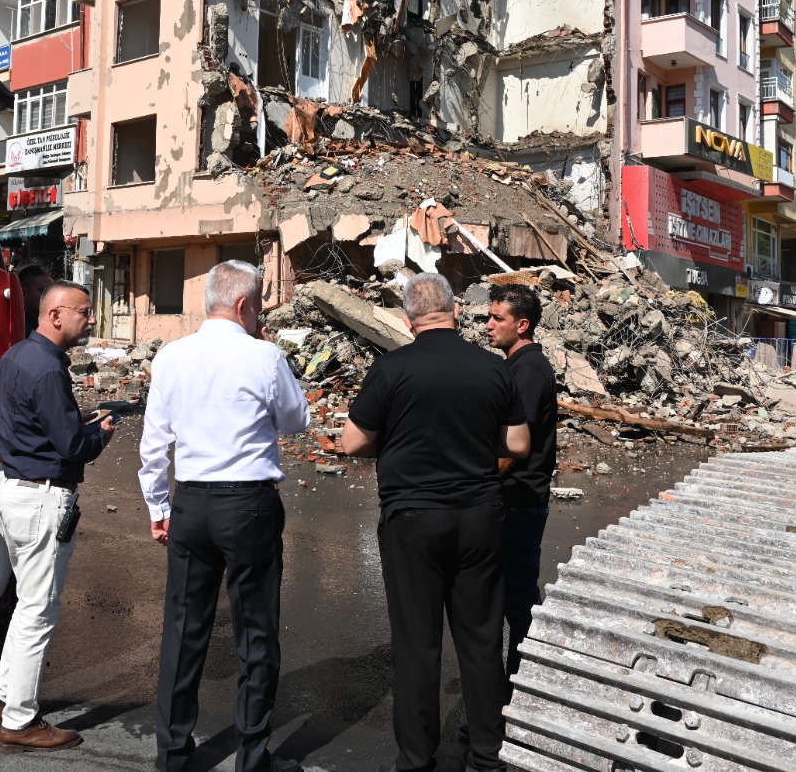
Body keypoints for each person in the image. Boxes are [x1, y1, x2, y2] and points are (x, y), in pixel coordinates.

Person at [340, 273, 529, 772]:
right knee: (483, 641)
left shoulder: (392, 369)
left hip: (412, 522)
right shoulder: (494, 369)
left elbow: (352, 443)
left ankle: (417, 758)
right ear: (457, 312)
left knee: (417, 645)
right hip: (480, 517)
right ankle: (488, 755)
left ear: (408, 319)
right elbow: (518, 445)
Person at [139, 260, 310, 772]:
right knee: (255, 631)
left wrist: (158, 506)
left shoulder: (171, 356)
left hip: (191, 501)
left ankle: (173, 752)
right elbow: (297, 419)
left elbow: (154, 444)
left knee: (185, 628)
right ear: (243, 305)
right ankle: (252, 758)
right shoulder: (263, 355)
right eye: (257, 306)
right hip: (248, 504)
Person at [0, 281, 114, 752]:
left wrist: (76, 424)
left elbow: (35, 426)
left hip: (16, 492)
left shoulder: (17, 356)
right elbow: (71, 446)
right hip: (43, 499)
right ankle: (20, 721)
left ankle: (5, 700)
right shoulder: (47, 370)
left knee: (25, 606)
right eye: (84, 311)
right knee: (38, 611)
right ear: (56, 315)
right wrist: (99, 433)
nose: (91, 319)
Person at [484, 284, 558, 685]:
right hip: (516, 497)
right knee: (510, 597)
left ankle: (521, 688)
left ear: (523, 325)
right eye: (489, 316)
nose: (488, 325)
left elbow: (517, 443)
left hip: (519, 499)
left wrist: (481, 479)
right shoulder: (517, 365)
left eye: (498, 318)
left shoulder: (528, 369)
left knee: (517, 601)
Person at [16, 263, 53, 339]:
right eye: (44, 291)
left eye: (53, 291)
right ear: (23, 294)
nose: (52, 296)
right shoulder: (22, 329)